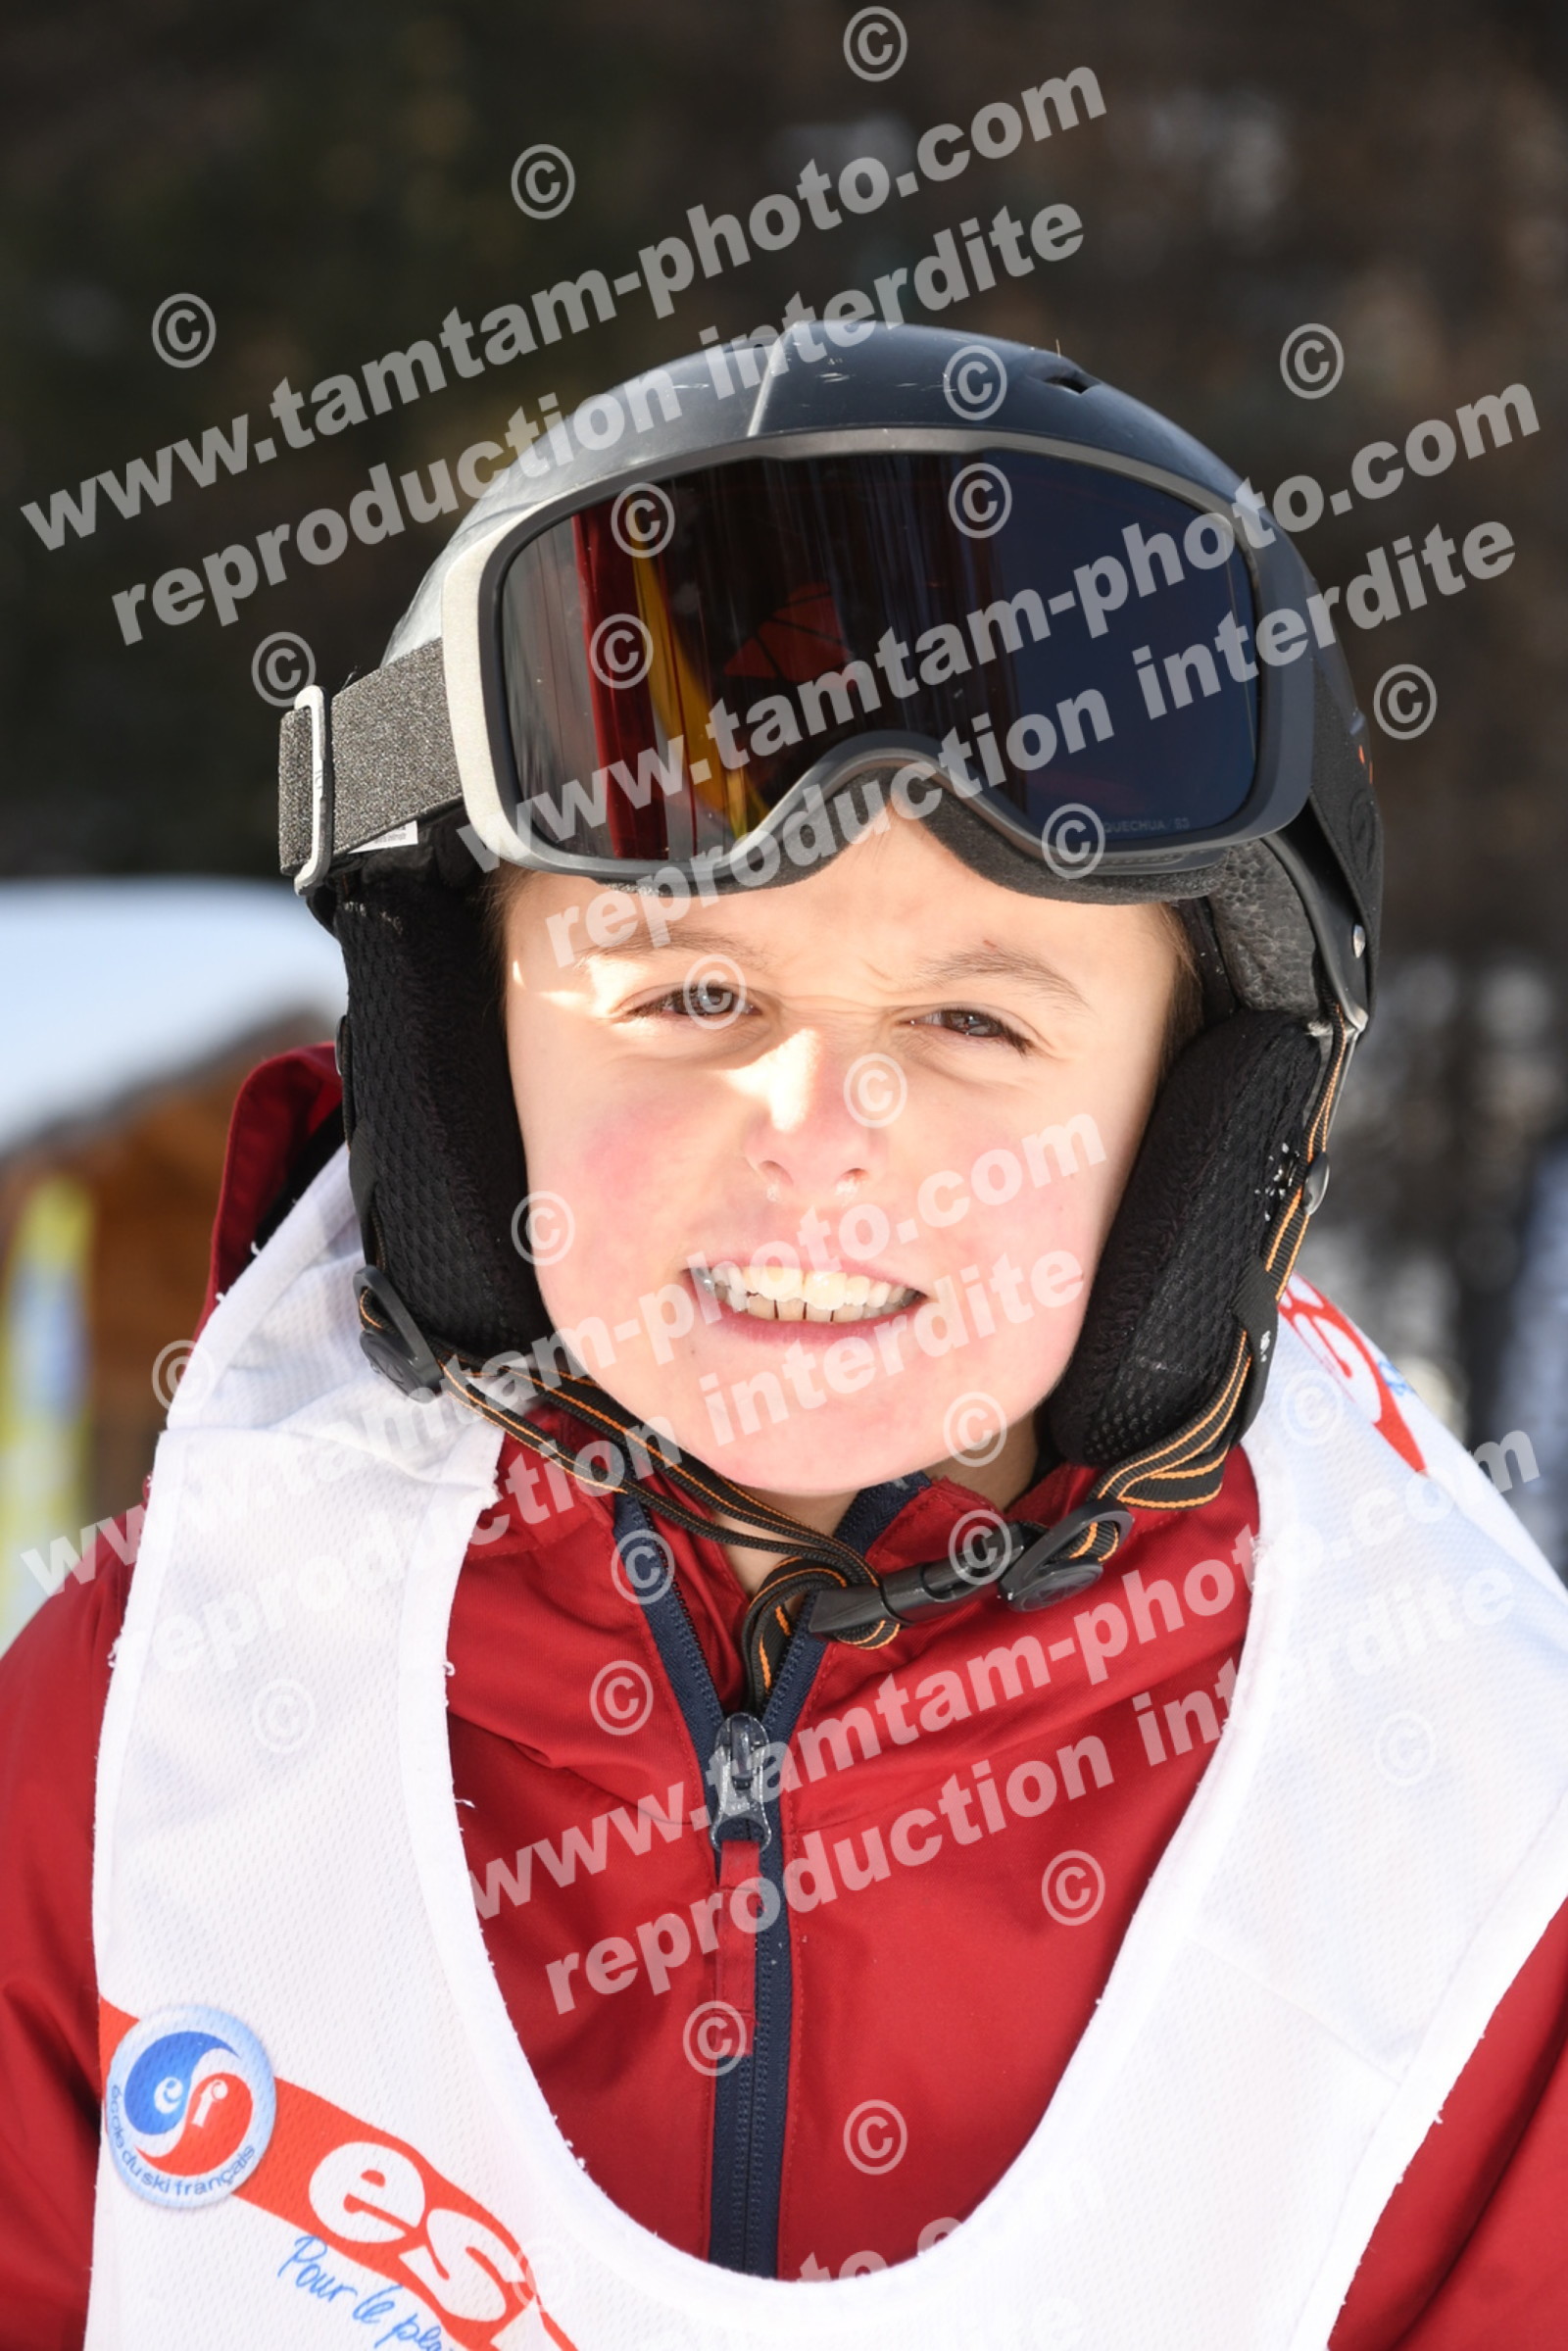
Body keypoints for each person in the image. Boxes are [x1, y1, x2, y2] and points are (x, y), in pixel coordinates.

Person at [4, 322, 1568, 2351]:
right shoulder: (149, 1722)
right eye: (691, 997)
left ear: (1200, 1124)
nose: (819, 1131)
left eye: (973, 1021)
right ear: (461, 1059)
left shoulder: (1451, 1826)